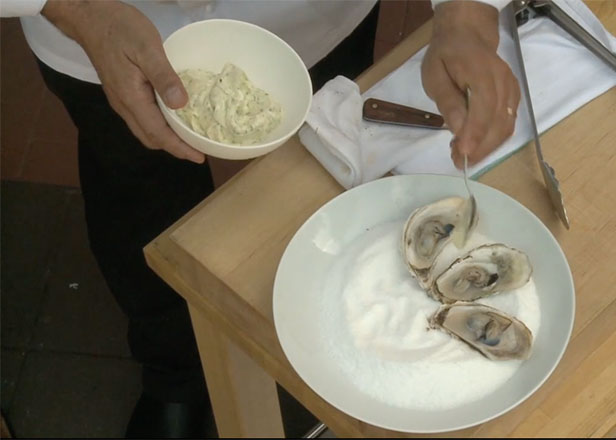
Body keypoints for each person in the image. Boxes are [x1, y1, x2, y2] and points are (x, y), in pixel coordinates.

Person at [1, 0, 519, 437]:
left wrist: (466, 9)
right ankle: (175, 374)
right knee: (139, 202)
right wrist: (75, 9)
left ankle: (332, 343)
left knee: (318, 183)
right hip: (105, 23)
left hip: (310, 15)